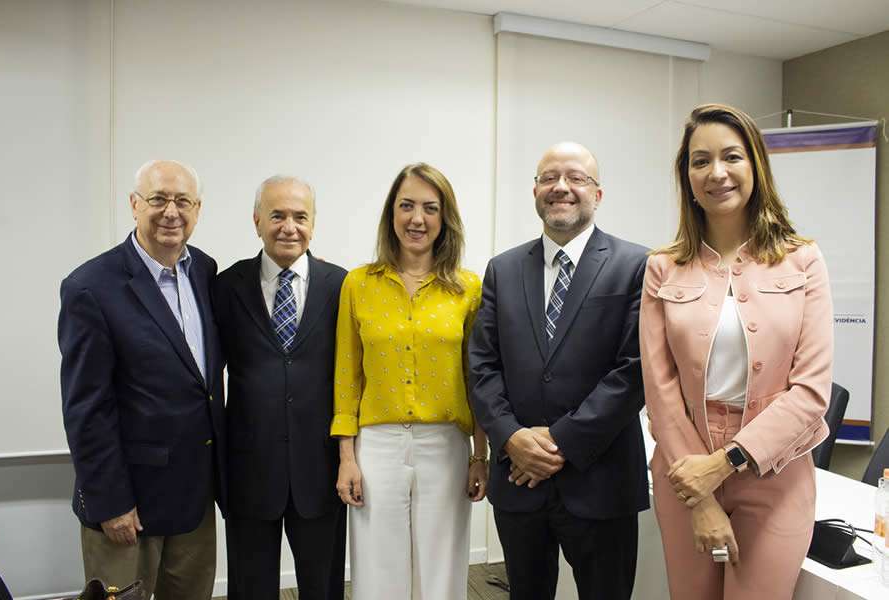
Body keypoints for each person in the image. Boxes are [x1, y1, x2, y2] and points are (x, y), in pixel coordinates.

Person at [639, 103, 833, 600]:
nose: (716, 173)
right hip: (683, 468)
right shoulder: (663, 267)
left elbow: (811, 392)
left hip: (776, 472)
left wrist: (725, 463)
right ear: (686, 176)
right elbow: (660, 394)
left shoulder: (803, 260)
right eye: (700, 161)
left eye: (731, 157)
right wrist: (698, 490)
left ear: (755, 166)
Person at [469, 142, 649, 600]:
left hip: (601, 479)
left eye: (576, 178)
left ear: (599, 193)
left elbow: (635, 370)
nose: (561, 187)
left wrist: (558, 442)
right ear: (535, 190)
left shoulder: (638, 265)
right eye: (549, 177)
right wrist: (510, 437)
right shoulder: (503, 269)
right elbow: (482, 365)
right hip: (519, 479)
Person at [58, 160, 226, 599]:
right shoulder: (91, 287)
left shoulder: (204, 271)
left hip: (193, 500)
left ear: (198, 209)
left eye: (183, 201)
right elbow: (86, 407)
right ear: (134, 205)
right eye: (158, 199)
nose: (171, 211)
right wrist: (111, 502)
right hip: (127, 507)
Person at [331, 163, 488, 600]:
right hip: (376, 445)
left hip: (446, 445)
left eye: (429, 208)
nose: (417, 219)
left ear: (444, 219)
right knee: (378, 569)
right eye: (407, 206)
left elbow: (477, 380)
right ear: (391, 214)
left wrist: (481, 455)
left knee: (442, 568)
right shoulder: (358, 284)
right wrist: (347, 456)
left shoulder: (468, 289)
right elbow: (347, 376)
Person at [214, 176, 347, 599]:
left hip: (321, 472)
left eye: (299, 216)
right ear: (257, 222)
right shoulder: (225, 287)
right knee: (250, 589)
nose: (289, 226)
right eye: (277, 216)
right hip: (249, 473)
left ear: (314, 223)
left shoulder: (342, 286)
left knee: (323, 588)